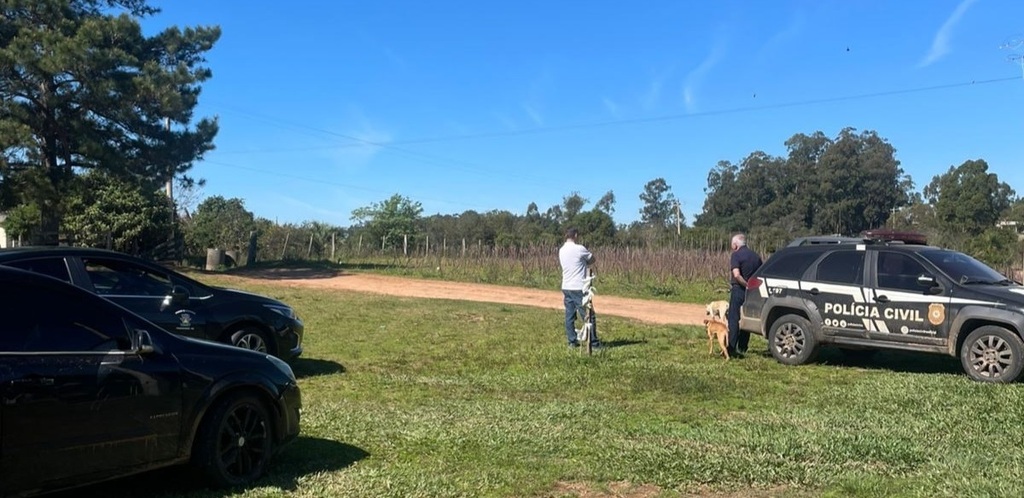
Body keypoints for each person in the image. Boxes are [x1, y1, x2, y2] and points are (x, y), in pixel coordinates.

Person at [559, 227, 600, 349]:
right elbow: (592, 259)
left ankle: (572, 341)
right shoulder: (580, 249)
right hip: (578, 286)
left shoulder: (561, 250)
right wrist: (584, 263)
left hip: (566, 285)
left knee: (569, 315)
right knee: (588, 314)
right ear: (575, 235)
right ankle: (593, 342)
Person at [727, 233, 762, 357]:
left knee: (734, 319)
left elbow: (736, 274)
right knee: (746, 318)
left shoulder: (736, 255)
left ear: (736, 244)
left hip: (739, 290)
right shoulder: (756, 256)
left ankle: (731, 348)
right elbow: (760, 274)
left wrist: (745, 284)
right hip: (752, 292)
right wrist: (752, 287)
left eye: (732, 244)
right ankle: (743, 347)